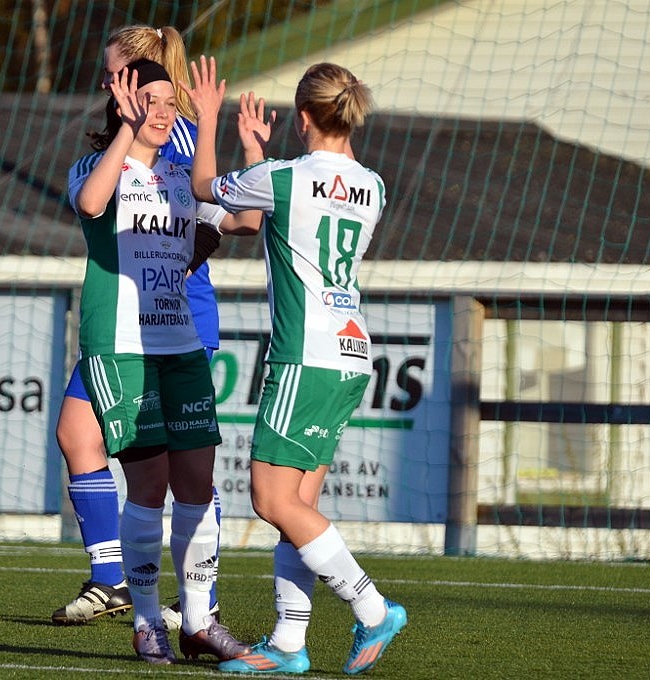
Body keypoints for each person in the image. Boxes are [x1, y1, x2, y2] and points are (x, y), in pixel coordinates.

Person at [186, 57, 408, 675]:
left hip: (304, 356)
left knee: (270, 498)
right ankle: (288, 643)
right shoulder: (373, 187)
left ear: (304, 116)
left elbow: (206, 188)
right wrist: (258, 154)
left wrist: (209, 119)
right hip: (350, 354)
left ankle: (372, 608)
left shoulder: (284, 176)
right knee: (298, 505)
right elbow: (271, 211)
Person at [67, 59, 259, 665]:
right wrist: (126, 131)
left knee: (198, 482)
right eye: (147, 99)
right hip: (122, 348)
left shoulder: (180, 175)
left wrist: (231, 135)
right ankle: (147, 620)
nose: (160, 109)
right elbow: (91, 204)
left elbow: (247, 220)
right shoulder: (96, 168)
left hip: (181, 345)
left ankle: (199, 622)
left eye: (168, 101)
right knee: (148, 485)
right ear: (123, 104)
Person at [51, 24, 223, 630]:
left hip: (176, 320)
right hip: (123, 325)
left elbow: (217, 218)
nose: (105, 82)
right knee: (80, 435)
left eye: (112, 72)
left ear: (138, 75)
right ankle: (113, 579)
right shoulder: (118, 141)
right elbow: (95, 202)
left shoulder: (175, 130)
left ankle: (199, 595)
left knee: (182, 466)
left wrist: (170, 265)